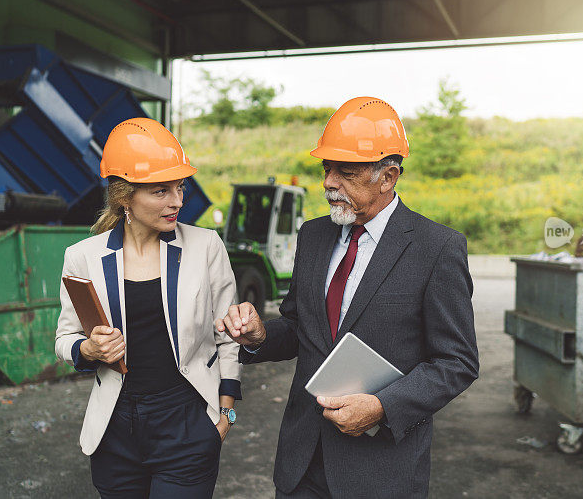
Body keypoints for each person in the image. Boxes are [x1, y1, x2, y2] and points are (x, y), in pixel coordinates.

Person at [217, 97, 479, 498]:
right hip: (301, 462)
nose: (329, 183)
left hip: (380, 473)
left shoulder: (436, 248)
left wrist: (383, 407)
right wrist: (258, 337)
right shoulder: (314, 235)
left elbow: (456, 362)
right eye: (327, 169)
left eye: (346, 172)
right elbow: (300, 327)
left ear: (388, 176)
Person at [55, 118, 241, 498]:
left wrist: (225, 414)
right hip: (115, 430)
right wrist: (87, 349)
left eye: (179, 187)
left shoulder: (205, 247)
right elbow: (64, 338)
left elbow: (227, 333)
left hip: (186, 423)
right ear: (124, 196)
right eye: (160, 191)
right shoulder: (83, 257)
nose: (177, 201)